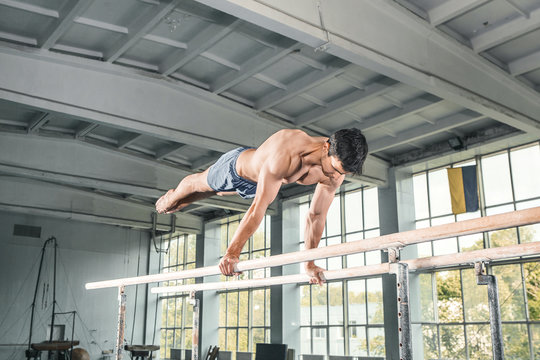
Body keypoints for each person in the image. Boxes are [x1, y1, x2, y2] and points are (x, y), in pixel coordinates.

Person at [155, 128, 368, 285]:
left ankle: (180, 201)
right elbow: (259, 207)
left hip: (259, 185)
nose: (335, 176)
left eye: (342, 173)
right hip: (236, 170)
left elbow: (316, 215)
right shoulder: (287, 152)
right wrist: (232, 252)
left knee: (213, 193)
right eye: (335, 169)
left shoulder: (336, 172)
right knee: (198, 187)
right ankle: (170, 198)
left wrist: (309, 263)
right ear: (326, 147)